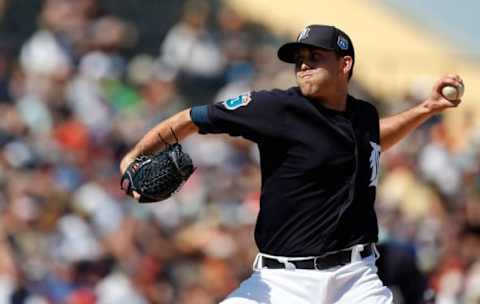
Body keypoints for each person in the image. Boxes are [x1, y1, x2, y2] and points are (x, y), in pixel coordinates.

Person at [120, 24, 464, 303]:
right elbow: (192, 118)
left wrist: (425, 109)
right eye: (299, 59)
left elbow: (372, 139)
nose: (303, 65)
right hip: (283, 281)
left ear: (345, 65)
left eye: (315, 57)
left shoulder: (363, 115)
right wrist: (135, 156)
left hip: (356, 279)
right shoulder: (275, 109)